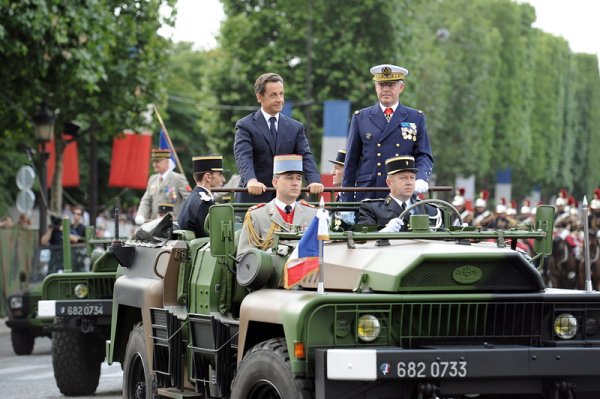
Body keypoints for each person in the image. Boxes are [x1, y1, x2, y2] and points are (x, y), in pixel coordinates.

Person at [342, 64, 433, 202]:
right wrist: (347, 202)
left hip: (402, 193)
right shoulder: (361, 117)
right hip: (369, 192)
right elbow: (351, 163)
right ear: (375, 87)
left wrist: (421, 178)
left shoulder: (415, 117)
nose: (385, 89)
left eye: (391, 85)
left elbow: (423, 154)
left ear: (401, 88)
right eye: (381, 85)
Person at [234, 72, 323, 203]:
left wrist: (314, 180)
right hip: (254, 199)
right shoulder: (245, 125)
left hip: (287, 200)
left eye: (281, 94)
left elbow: (305, 155)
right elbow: (243, 157)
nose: (280, 99)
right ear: (259, 97)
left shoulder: (295, 127)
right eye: (273, 95)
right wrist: (251, 180)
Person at [237, 154, 317, 255]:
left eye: (299, 178)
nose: (295, 183)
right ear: (275, 183)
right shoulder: (257, 215)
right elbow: (244, 259)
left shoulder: (312, 214)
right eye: (289, 178)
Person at [358, 155, 440, 231]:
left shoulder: (429, 210)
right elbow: (364, 240)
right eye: (403, 178)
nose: (409, 182)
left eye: (412, 178)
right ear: (389, 182)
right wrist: (384, 233)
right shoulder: (372, 210)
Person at [136, 149, 191, 224]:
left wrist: (183, 218)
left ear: (166, 162)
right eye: (154, 162)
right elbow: (146, 201)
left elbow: (189, 200)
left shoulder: (178, 179)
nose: (154, 164)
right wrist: (141, 215)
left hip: (172, 225)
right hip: (154, 224)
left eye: (157, 162)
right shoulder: (152, 179)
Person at [178, 155, 226, 238]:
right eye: (220, 174)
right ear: (208, 177)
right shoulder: (204, 203)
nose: (223, 179)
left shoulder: (192, 198)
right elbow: (211, 238)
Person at [329, 149, 355, 231]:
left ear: (349, 171)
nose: (332, 172)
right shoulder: (341, 194)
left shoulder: (354, 195)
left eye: (337, 168)